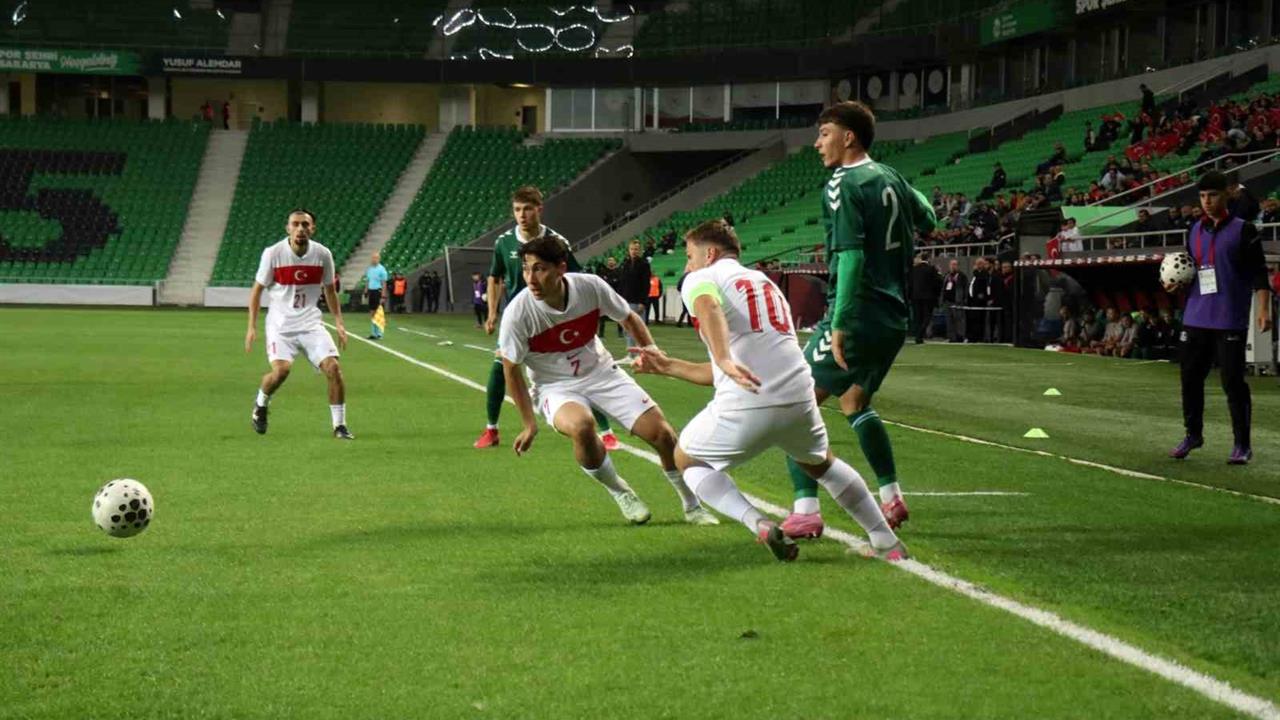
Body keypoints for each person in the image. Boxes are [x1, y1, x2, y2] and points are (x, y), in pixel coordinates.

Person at [631, 220, 906, 561]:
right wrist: (670, 365)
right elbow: (733, 365)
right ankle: (886, 541)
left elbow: (707, 306)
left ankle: (758, 523)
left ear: (710, 253)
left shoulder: (702, 278)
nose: (687, 266)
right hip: (799, 395)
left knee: (687, 459)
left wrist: (723, 357)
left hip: (749, 400)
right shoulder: (765, 283)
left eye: (689, 256)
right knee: (821, 463)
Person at [782, 101, 935, 540]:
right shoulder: (890, 176)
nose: (817, 144)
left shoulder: (842, 183)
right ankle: (891, 496)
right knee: (854, 403)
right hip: (893, 316)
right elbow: (929, 217)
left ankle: (806, 510)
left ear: (848, 137)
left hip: (858, 312)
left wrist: (840, 323)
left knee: (792, 406)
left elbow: (850, 256)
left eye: (824, 134)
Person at [498, 236, 717, 527]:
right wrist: (529, 424)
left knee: (663, 435)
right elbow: (510, 368)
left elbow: (629, 318)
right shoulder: (518, 313)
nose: (530, 278)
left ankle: (692, 505)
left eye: (539, 269)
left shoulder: (590, 287)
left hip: (602, 373)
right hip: (554, 386)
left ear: (561, 268)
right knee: (582, 426)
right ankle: (620, 491)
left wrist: (651, 351)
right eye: (526, 269)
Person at [476, 186, 618, 451]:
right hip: (520, 320)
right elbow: (495, 277)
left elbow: (576, 277)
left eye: (528, 209)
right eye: (517, 209)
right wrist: (493, 313)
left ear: (539, 209)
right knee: (501, 367)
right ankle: (491, 429)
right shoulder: (503, 242)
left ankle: (606, 431)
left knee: (582, 367)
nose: (522, 215)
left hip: (556, 318)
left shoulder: (556, 242)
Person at [1167, 171, 1272, 464]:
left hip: (1229, 319)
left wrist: (1263, 310)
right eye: (1202, 196)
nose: (1207, 201)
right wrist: (1176, 283)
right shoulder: (1193, 230)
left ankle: (1242, 445)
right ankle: (1193, 434)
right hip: (1195, 316)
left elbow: (1259, 273)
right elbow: (1190, 270)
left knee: (1232, 383)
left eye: (1212, 195)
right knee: (1189, 379)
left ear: (1226, 194)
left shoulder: (1244, 230)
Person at [244, 209, 353, 440]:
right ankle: (261, 404)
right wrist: (252, 327)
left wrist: (339, 323)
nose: (300, 229)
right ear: (288, 228)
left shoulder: (323, 254)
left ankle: (340, 426)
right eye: (295, 224)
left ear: (312, 229)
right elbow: (256, 291)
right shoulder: (273, 253)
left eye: (305, 224)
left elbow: (330, 290)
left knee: (333, 368)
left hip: (311, 324)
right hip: (280, 326)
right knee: (281, 371)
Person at [617, 240, 651, 343]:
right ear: (629, 250)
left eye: (636, 249)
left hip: (637, 302)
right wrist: (619, 299)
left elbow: (646, 284)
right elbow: (621, 283)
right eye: (632, 249)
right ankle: (630, 351)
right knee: (628, 329)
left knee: (640, 330)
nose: (634, 251)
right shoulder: (625, 263)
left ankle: (642, 351)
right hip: (625, 301)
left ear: (640, 250)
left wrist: (642, 302)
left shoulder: (644, 264)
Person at [909, 254, 941, 344]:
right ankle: (919, 335)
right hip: (928, 297)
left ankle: (918, 336)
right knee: (927, 317)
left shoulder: (914, 269)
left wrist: (910, 296)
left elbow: (910, 284)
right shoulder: (931, 269)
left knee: (918, 318)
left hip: (915, 297)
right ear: (928, 259)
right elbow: (937, 283)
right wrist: (939, 273)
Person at [363, 251, 389, 339]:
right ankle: (373, 333)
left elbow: (384, 283)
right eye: (373, 258)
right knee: (372, 312)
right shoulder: (369, 269)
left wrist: (383, 296)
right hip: (371, 292)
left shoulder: (382, 269)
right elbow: (368, 281)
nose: (374, 259)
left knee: (378, 313)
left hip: (378, 292)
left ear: (379, 259)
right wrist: (366, 291)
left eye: (376, 258)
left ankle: (379, 333)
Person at [942, 258, 967, 341]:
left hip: (957, 301)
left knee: (958, 319)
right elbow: (943, 288)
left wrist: (963, 299)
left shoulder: (962, 276)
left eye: (955, 264)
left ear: (958, 266)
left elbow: (965, 288)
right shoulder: (947, 275)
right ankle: (951, 337)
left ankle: (960, 336)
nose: (953, 266)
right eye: (951, 264)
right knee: (949, 320)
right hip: (947, 301)